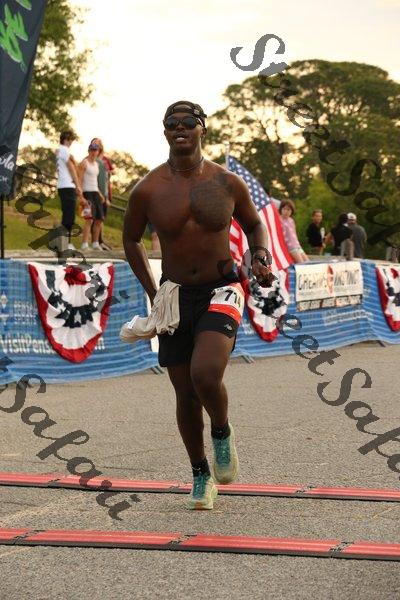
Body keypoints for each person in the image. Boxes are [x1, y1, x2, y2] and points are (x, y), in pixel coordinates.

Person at [123, 100, 274, 510]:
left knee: (205, 374)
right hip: (174, 294)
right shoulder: (148, 189)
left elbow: (255, 224)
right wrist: (153, 292)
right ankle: (200, 474)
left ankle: (221, 431)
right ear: (165, 131)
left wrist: (260, 256)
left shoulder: (226, 182)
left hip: (222, 287)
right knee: (185, 393)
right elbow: (131, 239)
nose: (180, 128)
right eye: (172, 123)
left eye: (188, 122)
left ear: (202, 129)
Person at [56, 130, 83, 250]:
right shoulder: (64, 150)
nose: (71, 142)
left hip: (64, 186)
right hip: (67, 186)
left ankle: (64, 242)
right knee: (69, 215)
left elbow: (73, 165)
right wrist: (78, 186)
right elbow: (71, 168)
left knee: (67, 214)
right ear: (66, 139)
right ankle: (65, 243)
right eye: (71, 139)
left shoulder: (61, 151)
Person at [78, 142, 105, 251]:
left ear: (98, 152)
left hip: (95, 193)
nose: (94, 152)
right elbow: (79, 179)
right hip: (87, 193)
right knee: (89, 219)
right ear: (89, 151)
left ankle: (95, 243)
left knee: (99, 219)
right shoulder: (84, 163)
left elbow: (95, 181)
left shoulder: (96, 164)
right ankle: (84, 244)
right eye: (92, 150)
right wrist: (81, 196)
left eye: (95, 150)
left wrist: (100, 194)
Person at [91, 137, 114, 250]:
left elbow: (111, 172)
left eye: (98, 143)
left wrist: (107, 197)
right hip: (95, 192)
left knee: (101, 218)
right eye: (94, 143)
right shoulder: (91, 159)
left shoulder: (105, 160)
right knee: (94, 218)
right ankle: (94, 242)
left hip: (105, 192)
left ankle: (100, 241)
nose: (97, 145)